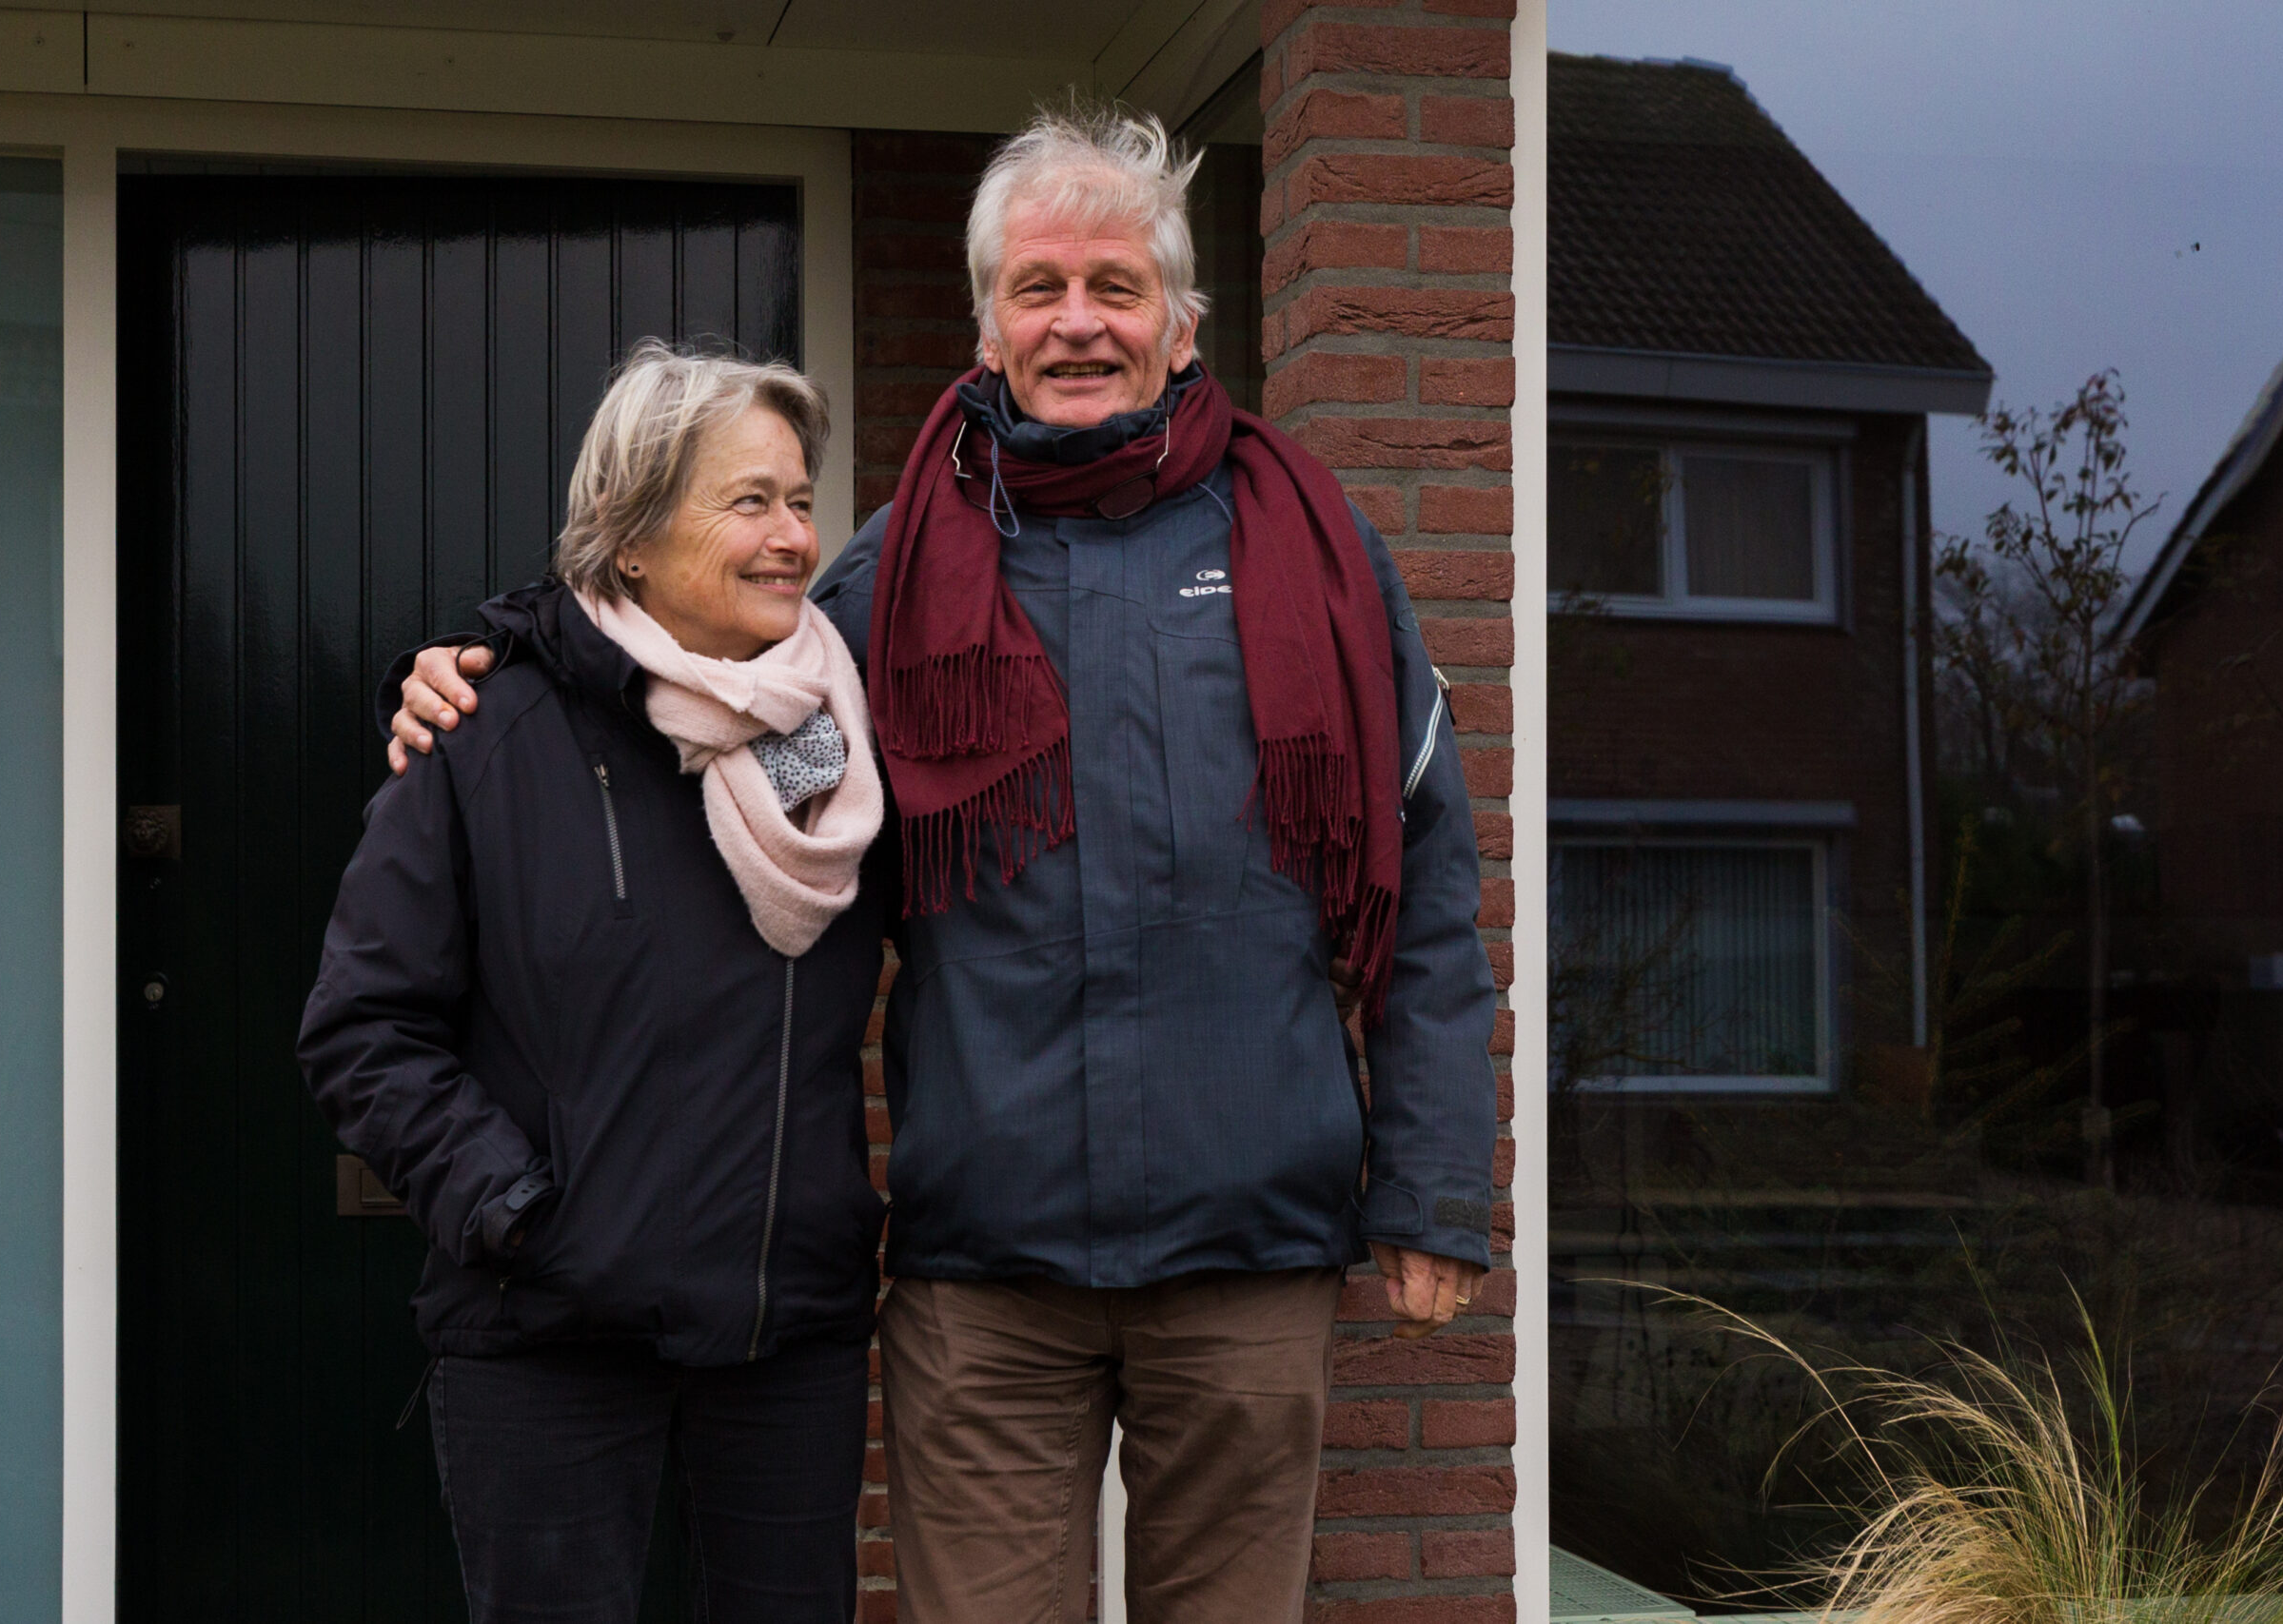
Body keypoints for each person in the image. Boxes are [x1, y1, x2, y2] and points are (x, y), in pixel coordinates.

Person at [388, 107, 1498, 1623]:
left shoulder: (1323, 560)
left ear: (1182, 324)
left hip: (1250, 1250)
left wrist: (1430, 1183)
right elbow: (696, 706)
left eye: (1115, 287)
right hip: (987, 1274)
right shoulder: (886, 580)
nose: (1077, 321)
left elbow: (1428, 882)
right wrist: (488, 669)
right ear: (987, 324)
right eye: (1038, 288)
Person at [301, 344, 891, 1624]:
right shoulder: (486, 734)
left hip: (785, 1336)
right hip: (549, 1335)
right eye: (750, 501)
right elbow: (363, 1027)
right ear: (630, 539)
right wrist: (514, 1210)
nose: (794, 537)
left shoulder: (840, 738)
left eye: (801, 501)